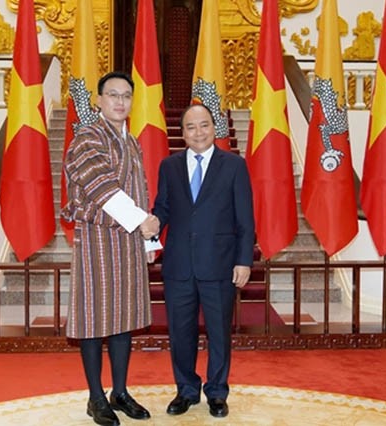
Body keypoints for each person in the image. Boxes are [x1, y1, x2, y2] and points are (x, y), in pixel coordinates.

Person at [62, 71, 159, 426]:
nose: (120, 101)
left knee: (125, 319)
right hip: (97, 241)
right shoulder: (88, 137)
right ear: (99, 101)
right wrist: (143, 222)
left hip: (130, 240)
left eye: (126, 96)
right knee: (94, 320)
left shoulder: (131, 141)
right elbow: (102, 188)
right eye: (113, 95)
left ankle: (120, 391)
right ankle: (95, 397)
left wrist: (149, 240)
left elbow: (141, 191)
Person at [152, 103, 255, 418]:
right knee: (180, 333)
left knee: (219, 332)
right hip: (179, 266)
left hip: (220, 265)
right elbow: (163, 209)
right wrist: (150, 223)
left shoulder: (234, 166)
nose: (198, 132)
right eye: (191, 127)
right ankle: (186, 389)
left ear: (214, 128)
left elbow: (245, 220)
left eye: (204, 125)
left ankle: (217, 392)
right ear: (182, 133)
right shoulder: (169, 166)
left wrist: (243, 261)